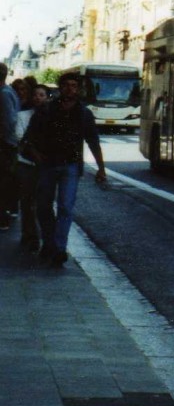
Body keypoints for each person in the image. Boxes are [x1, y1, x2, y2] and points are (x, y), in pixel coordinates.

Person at [23, 71, 107, 267]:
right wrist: (36, 155)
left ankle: (59, 248)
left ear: (78, 89)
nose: (70, 89)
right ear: (60, 88)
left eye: (74, 86)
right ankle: (49, 243)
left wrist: (101, 168)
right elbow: (29, 138)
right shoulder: (46, 110)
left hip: (71, 165)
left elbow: (93, 141)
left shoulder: (84, 113)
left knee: (65, 207)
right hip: (48, 165)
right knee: (43, 206)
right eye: (66, 85)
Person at [15, 84, 49, 251]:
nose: (38, 98)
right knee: (27, 201)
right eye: (35, 94)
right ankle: (29, 235)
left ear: (47, 98)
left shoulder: (52, 117)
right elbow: (19, 136)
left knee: (43, 203)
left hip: (45, 166)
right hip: (26, 164)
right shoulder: (22, 116)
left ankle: (43, 237)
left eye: (42, 95)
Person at [0, 64, 19, 231]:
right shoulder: (8, 91)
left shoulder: (4, 94)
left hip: (5, 145)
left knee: (3, 182)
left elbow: (9, 121)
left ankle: (3, 218)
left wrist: (4, 140)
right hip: (9, 144)